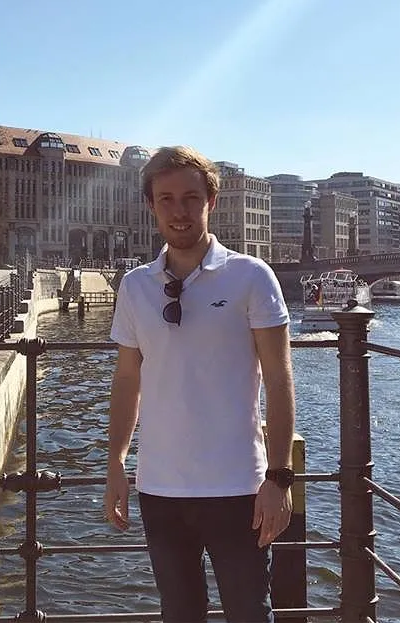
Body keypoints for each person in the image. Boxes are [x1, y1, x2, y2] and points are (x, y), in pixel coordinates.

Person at [104, 146, 295, 623]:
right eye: (166, 199)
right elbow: (127, 379)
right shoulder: (135, 286)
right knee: (179, 612)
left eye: (191, 198)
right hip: (160, 488)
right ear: (150, 205)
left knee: (249, 612)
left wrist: (279, 477)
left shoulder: (251, 277)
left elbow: (279, 378)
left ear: (211, 201)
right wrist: (116, 462)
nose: (179, 211)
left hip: (238, 487)